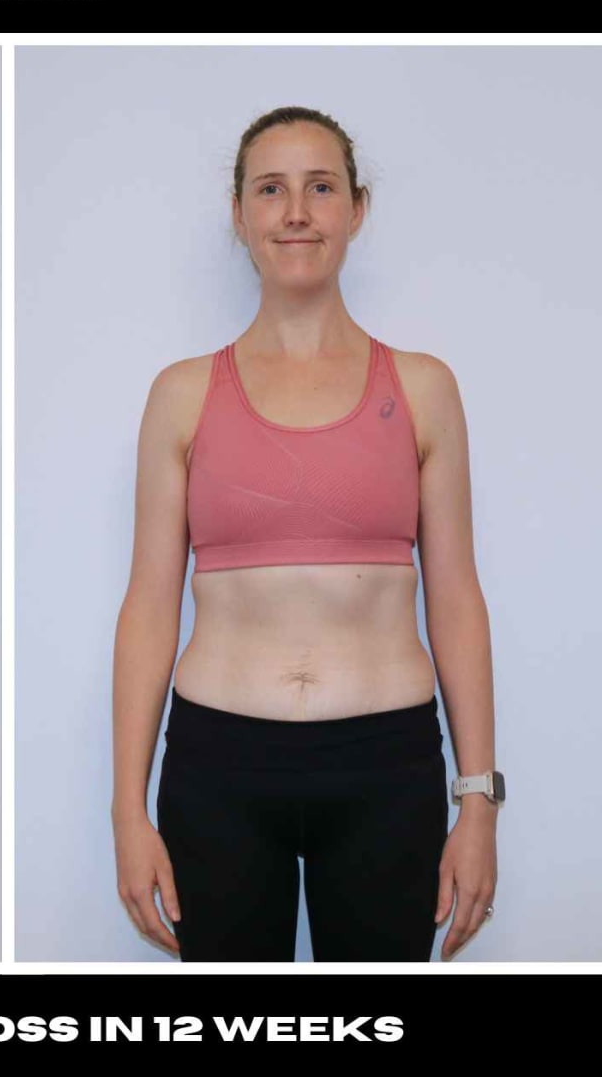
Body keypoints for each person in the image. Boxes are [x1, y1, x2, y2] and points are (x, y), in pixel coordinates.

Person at [111, 106, 500, 962]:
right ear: (241, 213)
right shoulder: (181, 394)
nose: (296, 212)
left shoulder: (426, 389)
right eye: (272, 190)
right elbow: (147, 606)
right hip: (217, 767)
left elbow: (458, 599)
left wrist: (478, 800)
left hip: (386, 767)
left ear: (356, 210)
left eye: (320, 188)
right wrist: (126, 809)